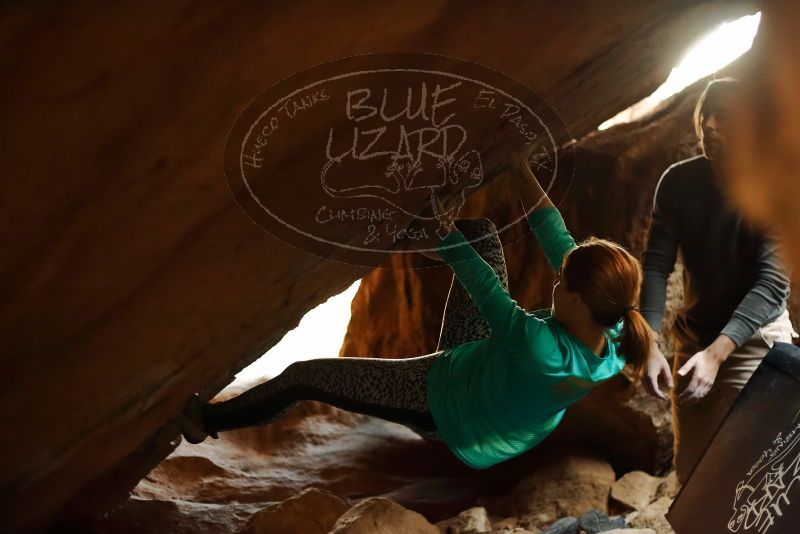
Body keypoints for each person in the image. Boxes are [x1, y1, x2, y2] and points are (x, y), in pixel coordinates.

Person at [178, 147, 653, 470]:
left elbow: (485, 288)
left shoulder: (538, 347)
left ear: (573, 299)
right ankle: (423, 238)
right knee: (482, 235)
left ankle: (206, 422)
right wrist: (518, 166)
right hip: (490, 370)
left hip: (445, 407)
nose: (555, 276)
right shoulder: (613, 327)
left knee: (305, 375)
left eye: (560, 280)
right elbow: (559, 241)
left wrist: (439, 229)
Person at [639, 77, 797, 485]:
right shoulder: (677, 183)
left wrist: (717, 355)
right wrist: (649, 342)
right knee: (692, 473)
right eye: (705, 115)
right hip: (695, 340)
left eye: (723, 116)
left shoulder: (775, 186)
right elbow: (656, 265)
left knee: (756, 474)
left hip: (756, 340)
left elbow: (771, 285)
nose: (709, 124)